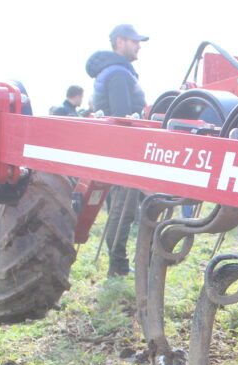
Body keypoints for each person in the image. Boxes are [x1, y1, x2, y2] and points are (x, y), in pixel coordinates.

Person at [86, 24, 149, 277]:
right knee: (124, 208)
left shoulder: (111, 72)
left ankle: (119, 262)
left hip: (115, 149)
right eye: (135, 41)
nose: (139, 45)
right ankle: (118, 266)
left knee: (123, 207)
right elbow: (123, 117)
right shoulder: (120, 75)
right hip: (124, 151)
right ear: (120, 42)